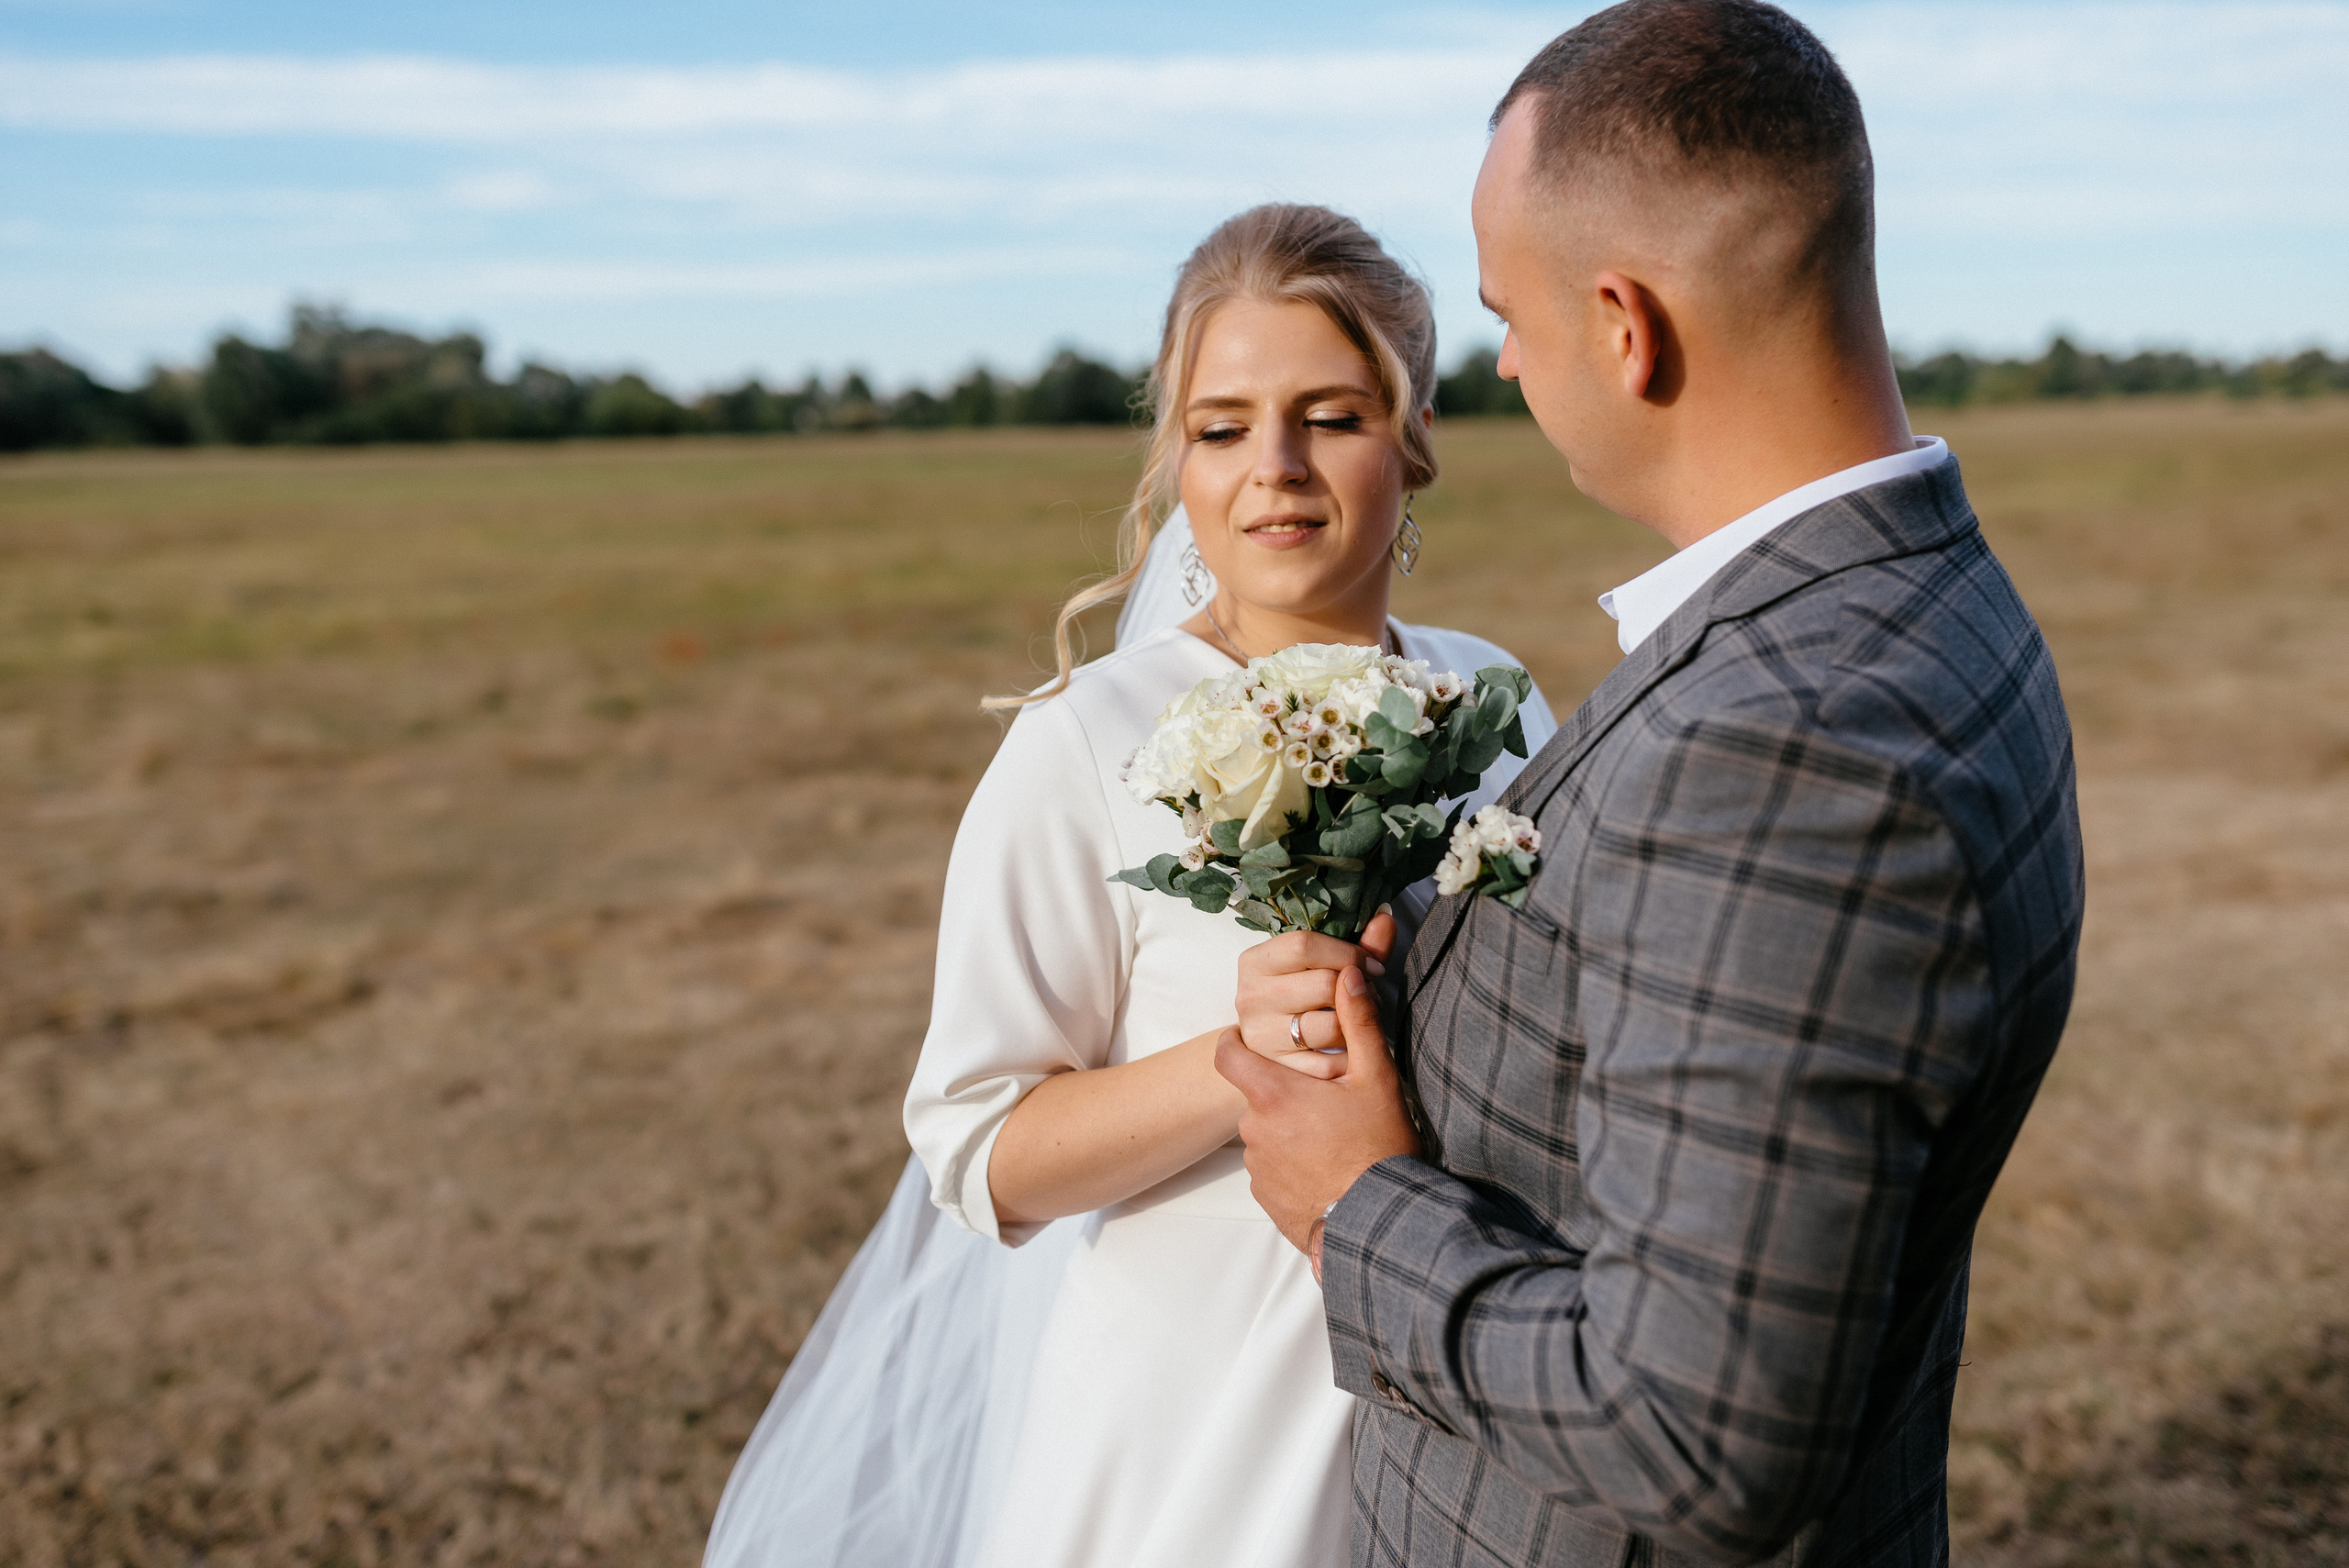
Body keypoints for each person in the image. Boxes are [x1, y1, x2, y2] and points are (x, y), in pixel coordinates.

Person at [1215, 5, 2087, 1566]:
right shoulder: (1934, 598)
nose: (1502, 361)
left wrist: (1358, 1204)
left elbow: (1689, 1441)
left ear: (1627, 326)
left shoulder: (1794, 739)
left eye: (1510, 314)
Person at [703, 203, 1558, 1568]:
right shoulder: (1086, 742)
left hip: (1462, 1385)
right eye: (1222, 428)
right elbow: (981, 1154)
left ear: (1413, 439)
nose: (1271, 468)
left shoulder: (1498, 705)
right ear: (1178, 461)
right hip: (1193, 1428)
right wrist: (1238, 1059)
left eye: (1329, 416)